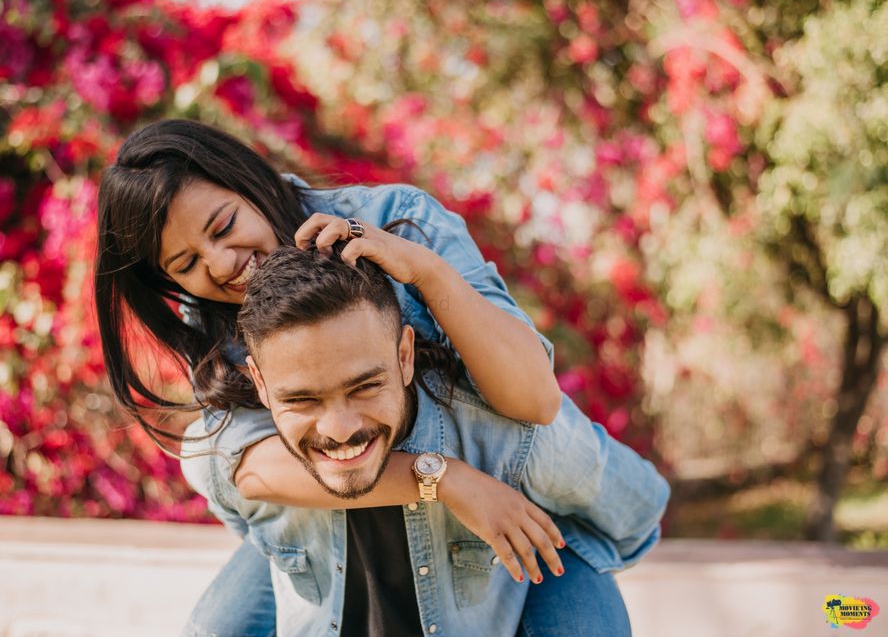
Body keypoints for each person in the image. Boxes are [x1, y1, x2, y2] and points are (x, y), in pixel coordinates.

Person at [94, 119, 667, 635]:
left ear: (248, 182)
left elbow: (535, 402)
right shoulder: (211, 315)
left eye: (223, 227)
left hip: (502, 484)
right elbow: (249, 465)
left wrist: (424, 272)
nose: (220, 266)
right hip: (346, 490)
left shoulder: (398, 221)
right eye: (186, 264)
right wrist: (442, 478)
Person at [180, 245, 669, 636]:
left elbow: (638, 509)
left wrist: (536, 529)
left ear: (405, 356)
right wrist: (438, 479)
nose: (339, 428)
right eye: (302, 400)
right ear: (261, 386)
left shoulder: (509, 442)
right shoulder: (228, 457)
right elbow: (221, 484)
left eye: (365, 386)